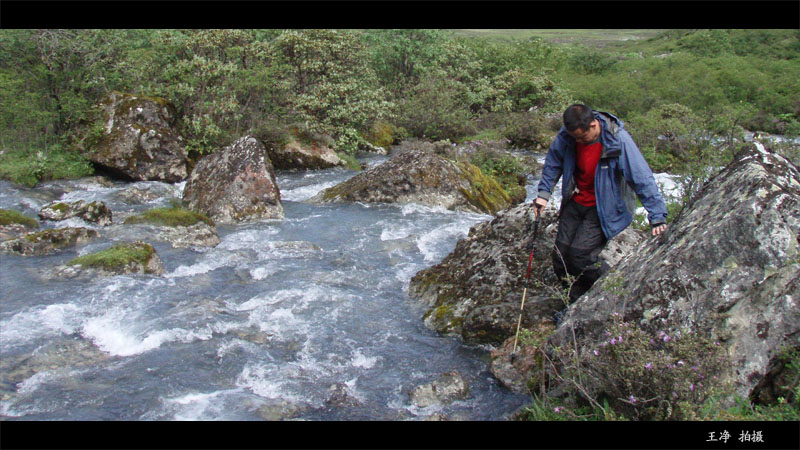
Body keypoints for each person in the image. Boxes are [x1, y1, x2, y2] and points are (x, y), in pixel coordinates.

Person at [533, 104, 668, 304]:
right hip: (576, 200)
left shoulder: (618, 140)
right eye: (575, 138)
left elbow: (641, 177)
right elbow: (554, 161)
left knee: (580, 257)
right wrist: (544, 193)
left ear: (594, 125)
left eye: (582, 137)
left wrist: (657, 216)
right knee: (560, 257)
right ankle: (573, 303)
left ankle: (614, 290)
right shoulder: (567, 136)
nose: (578, 141)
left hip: (604, 207)